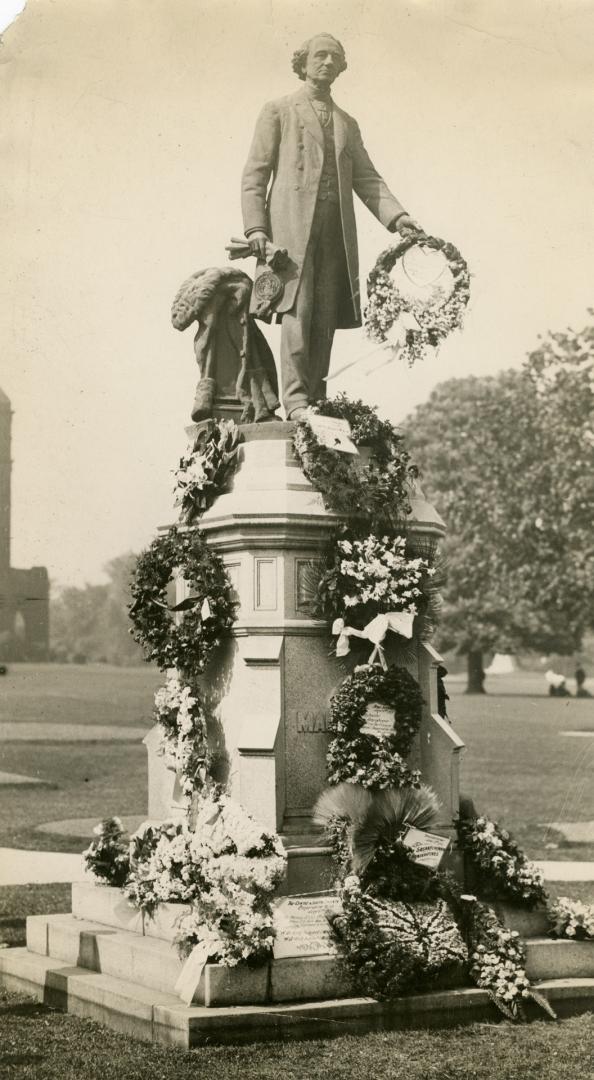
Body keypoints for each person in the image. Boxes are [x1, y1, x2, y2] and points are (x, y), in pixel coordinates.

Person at [241, 33, 423, 419]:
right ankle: (295, 401)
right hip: (291, 234)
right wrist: (257, 230)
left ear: (342, 68)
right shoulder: (279, 110)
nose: (327, 62)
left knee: (325, 316)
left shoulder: (347, 124)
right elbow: (255, 174)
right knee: (298, 312)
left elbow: (368, 179)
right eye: (319, 55)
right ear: (303, 62)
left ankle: (316, 397)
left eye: (335, 58)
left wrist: (399, 217)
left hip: (334, 235)